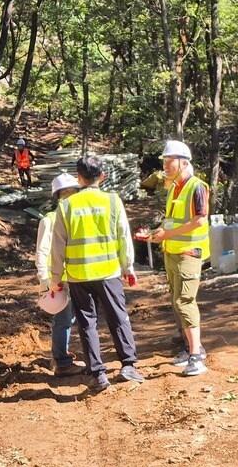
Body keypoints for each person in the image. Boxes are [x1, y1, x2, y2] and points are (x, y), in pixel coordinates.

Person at [50, 155, 142, 391]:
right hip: (108, 272)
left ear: (78, 178)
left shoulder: (67, 205)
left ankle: (98, 373)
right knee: (118, 318)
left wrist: (55, 278)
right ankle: (128, 365)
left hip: (79, 275)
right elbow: (123, 235)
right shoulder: (112, 201)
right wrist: (127, 267)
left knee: (87, 323)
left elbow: (58, 245)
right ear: (102, 176)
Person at [142, 140, 211, 378]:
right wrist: (155, 235)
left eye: (168, 161)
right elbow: (171, 221)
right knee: (176, 301)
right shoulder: (175, 188)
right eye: (164, 161)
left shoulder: (197, 186)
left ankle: (196, 357)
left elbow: (201, 220)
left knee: (184, 302)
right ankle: (189, 347)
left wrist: (167, 234)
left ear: (183, 162)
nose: (165, 166)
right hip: (172, 253)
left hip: (188, 254)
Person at [36, 173, 81, 376]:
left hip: (76, 275)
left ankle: (63, 354)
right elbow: (42, 251)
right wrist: (45, 280)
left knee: (72, 318)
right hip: (59, 279)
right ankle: (61, 361)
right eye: (68, 193)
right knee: (63, 318)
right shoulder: (50, 220)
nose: (71, 197)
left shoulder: (77, 217)